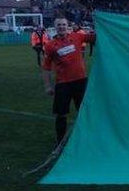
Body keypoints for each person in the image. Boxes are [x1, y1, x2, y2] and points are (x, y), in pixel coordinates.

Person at [41, 18, 96, 147]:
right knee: (61, 114)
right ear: (55, 27)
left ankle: (88, 138)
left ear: (68, 26)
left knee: (83, 112)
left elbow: (95, 38)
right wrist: (48, 86)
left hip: (80, 81)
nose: (62, 27)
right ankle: (60, 141)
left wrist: (102, 23)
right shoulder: (50, 45)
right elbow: (46, 68)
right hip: (63, 84)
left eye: (64, 24)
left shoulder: (77, 36)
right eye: (59, 25)